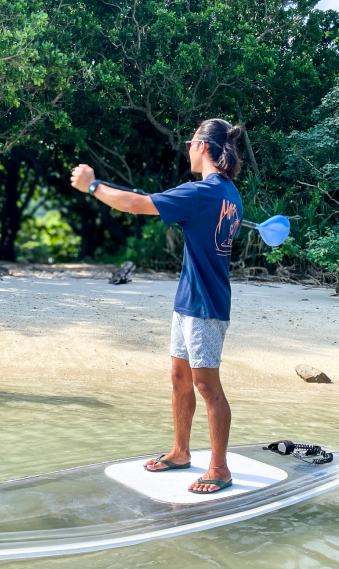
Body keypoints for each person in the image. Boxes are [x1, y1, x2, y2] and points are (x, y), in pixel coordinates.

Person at [70, 118, 243, 494]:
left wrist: (93, 185)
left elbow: (135, 204)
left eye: (190, 142)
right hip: (188, 301)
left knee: (206, 386)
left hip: (206, 304)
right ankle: (181, 451)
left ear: (202, 146)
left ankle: (219, 468)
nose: (186, 148)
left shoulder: (202, 193)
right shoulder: (228, 193)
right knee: (179, 379)